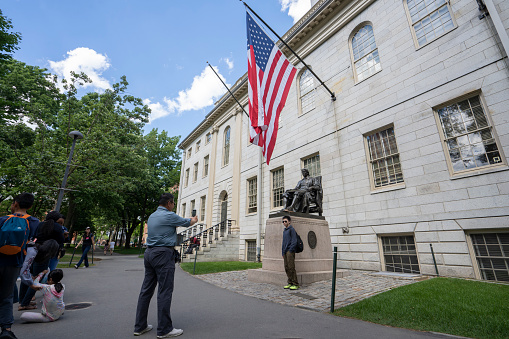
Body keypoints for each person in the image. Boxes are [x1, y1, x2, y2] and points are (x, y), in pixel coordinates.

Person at [134, 193, 197, 338]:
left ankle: (139, 326)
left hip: (149, 253)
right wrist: (194, 219)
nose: (173, 206)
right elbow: (187, 222)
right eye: (173, 203)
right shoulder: (169, 215)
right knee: (165, 291)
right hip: (163, 254)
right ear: (169, 203)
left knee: (146, 290)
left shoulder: (151, 216)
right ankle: (164, 329)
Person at [0, 193, 39, 339]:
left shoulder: (3, 219)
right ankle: (6, 329)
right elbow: (32, 242)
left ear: (15, 203)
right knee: (6, 296)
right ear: (30, 206)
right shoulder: (34, 222)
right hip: (15, 263)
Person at [281, 215, 299, 290]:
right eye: (283, 221)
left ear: (289, 222)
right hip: (285, 251)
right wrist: (282, 252)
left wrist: (290, 250)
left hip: (290, 251)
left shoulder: (292, 230)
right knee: (286, 267)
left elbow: (294, 241)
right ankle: (290, 282)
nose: (284, 223)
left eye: (285, 221)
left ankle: (295, 283)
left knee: (291, 267)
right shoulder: (285, 231)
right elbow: (283, 242)